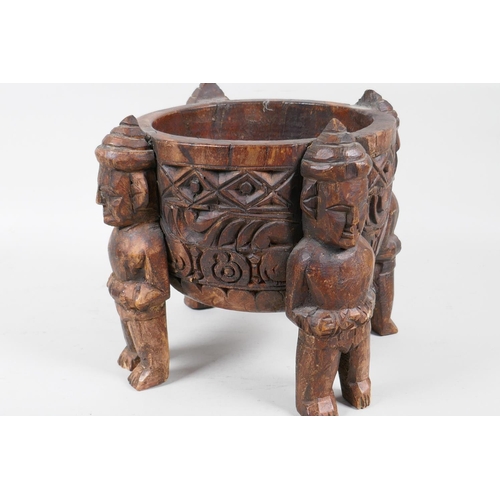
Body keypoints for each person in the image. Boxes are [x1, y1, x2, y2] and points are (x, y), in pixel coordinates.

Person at [286, 119, 375, 416]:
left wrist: (365, 309)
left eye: (360, 207)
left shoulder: (364, 251)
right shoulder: (306, 257)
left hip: (358, 332)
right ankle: (314, 398)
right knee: (317, 382)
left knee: (359, 375)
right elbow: (294, 308)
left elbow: (370, 291)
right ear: (311, 206)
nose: (354, 223)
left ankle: (356, 383)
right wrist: (317, 320)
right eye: (339, 211)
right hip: (322, 339)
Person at [96, 116, 170, 391]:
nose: (99, 201)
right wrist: (118, 286)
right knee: (127, 321)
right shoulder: (123, 233)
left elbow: (158, 289)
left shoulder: (149, 239)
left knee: (145, 325)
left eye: (110, 196)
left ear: (140, 195)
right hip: (125, 301)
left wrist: (126, 291)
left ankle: (155, 367)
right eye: (100, 193)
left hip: (142, 307)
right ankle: (134, 350)